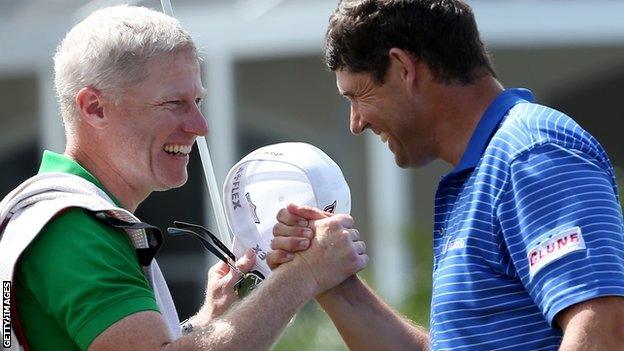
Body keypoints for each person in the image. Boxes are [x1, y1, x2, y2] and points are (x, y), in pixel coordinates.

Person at [0, 5, 368, 351]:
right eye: (174, 104)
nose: (200, 126)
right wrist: (302, 276)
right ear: (95, 108)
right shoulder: (75, 228)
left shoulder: (48, 214)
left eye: (198, 102)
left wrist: (207, 322)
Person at [269, 0, 624, 350]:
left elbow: (605, 329)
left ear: (402, 68)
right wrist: (329, 279)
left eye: (357, 95)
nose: (356, 123)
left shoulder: (530, 154)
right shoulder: (491, 167)